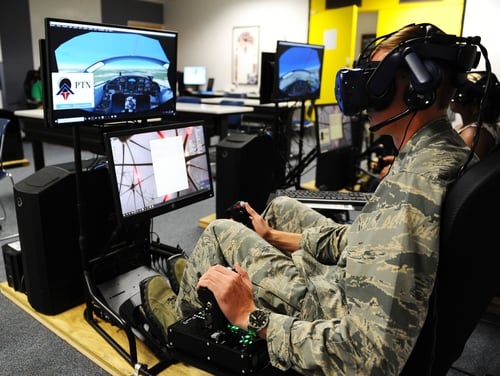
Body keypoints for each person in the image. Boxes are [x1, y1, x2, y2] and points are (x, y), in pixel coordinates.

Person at [141, 24, 481, 375]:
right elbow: (369, 241)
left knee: (219, 232)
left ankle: (179, 325)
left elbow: (370, 355)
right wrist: (274, 238)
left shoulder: (413, 187)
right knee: (283, 207)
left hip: (334, 310)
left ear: (417, 90)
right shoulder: (443, 150)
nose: (367, 90)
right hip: (354, 281)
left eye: (377, 80)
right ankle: (211, 275)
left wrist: (250, 316)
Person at [450, 71, 500, 159]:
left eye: (463, 93)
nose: (454, 96)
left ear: (477, 105)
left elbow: (458, 168)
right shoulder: (466, 127)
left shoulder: (473, 133)